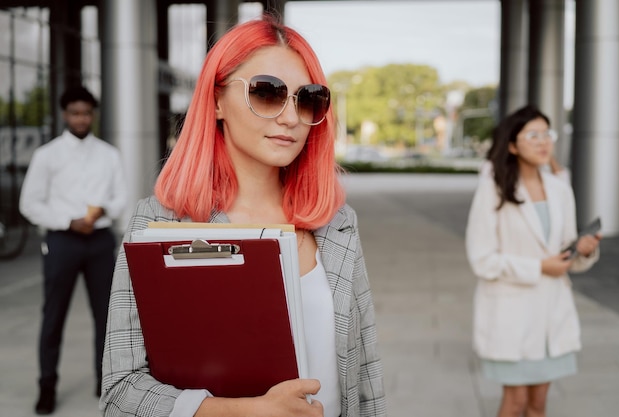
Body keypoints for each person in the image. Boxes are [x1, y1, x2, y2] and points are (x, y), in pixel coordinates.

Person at [100, 15, 386, 417]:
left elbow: (367, 373)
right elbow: (120, 392)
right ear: (216, 101)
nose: (290, 117)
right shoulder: (157, 224)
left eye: (308, 98)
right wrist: (244, 410)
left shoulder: (337, 222)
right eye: (268, 92)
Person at [465, 104, 601, 417]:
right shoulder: (493, 189)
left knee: (538, 406)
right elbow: (482, 259)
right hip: (512, 317)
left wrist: (584, 249)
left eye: (546, 134)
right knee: (514, 404)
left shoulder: (560, 189)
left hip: (551, 316)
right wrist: (539, 267)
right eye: (533, 135)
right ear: (513, 145)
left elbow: (566, 257)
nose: (543, 142)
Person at [19, 85, 127, 414]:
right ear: (65, 115)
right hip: (62, 241)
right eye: (75, 113)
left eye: (86, 113)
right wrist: (68, 221)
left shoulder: (108, 154)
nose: (81, 118)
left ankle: (104, 381)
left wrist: (100, 212)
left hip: (99, 240)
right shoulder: (47, 155)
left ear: (92, 115)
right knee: (54, 316)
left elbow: (120, 197)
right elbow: (29, 204)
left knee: (107, 317)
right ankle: (47, 386)